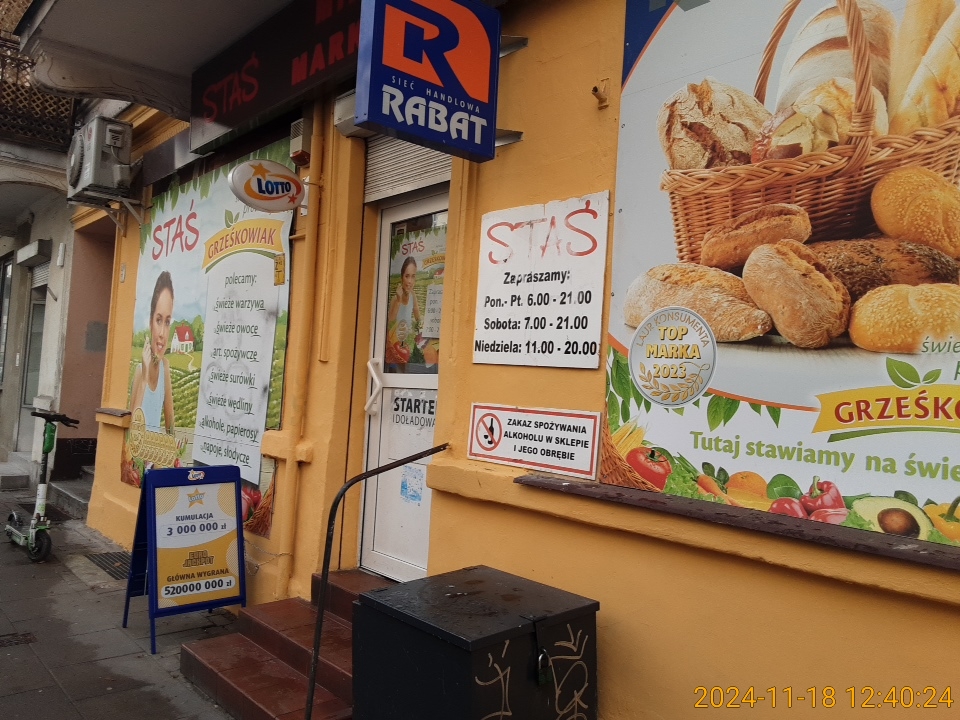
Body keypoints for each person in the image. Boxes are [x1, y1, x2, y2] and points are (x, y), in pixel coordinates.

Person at [130, 271, 175, 433]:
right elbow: (132, 430)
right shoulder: (139, 371)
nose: (162, 333)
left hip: (156, 448)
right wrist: (144, 378)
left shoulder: (165, 368)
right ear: (150, 322)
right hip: (139, 449)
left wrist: (174, 448)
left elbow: (170, 426)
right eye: (158, 320)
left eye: (167, 322)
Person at [386, 257, 422, 366]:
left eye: (413, 276)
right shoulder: (395, 298)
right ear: (402, 277)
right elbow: (390, 321)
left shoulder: (413, 295)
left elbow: (418, 317)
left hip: (407, 343)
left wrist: (421, 331)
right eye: (407, 276)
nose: (410, 281)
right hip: (395, 345)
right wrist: (398, 300)